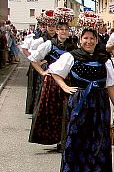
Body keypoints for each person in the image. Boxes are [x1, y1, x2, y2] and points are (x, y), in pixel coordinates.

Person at [49, 25, 114, 172]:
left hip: (99, 103)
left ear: (96, 40)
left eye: (92, 38)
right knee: (81, 138)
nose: (89, 41)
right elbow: (54, 72)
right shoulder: (72, 56)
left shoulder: (104, 59)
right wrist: (65, 86)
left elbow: (110, 84)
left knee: (100, 139)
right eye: (85, 38)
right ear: (80, 40)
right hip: (80, 101)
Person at [28, 8, 77, 147]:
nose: (63, 32)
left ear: (69, 31)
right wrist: (43, 72)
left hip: (67, 81)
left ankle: (64, 139)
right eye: (60, 29)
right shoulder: (50, 44)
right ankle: (54, 138)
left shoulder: (72, 45)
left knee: (66, 110)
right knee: (52, 112)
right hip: (51, 82)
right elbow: (33, 59)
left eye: (65, 29)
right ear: (56, 31)